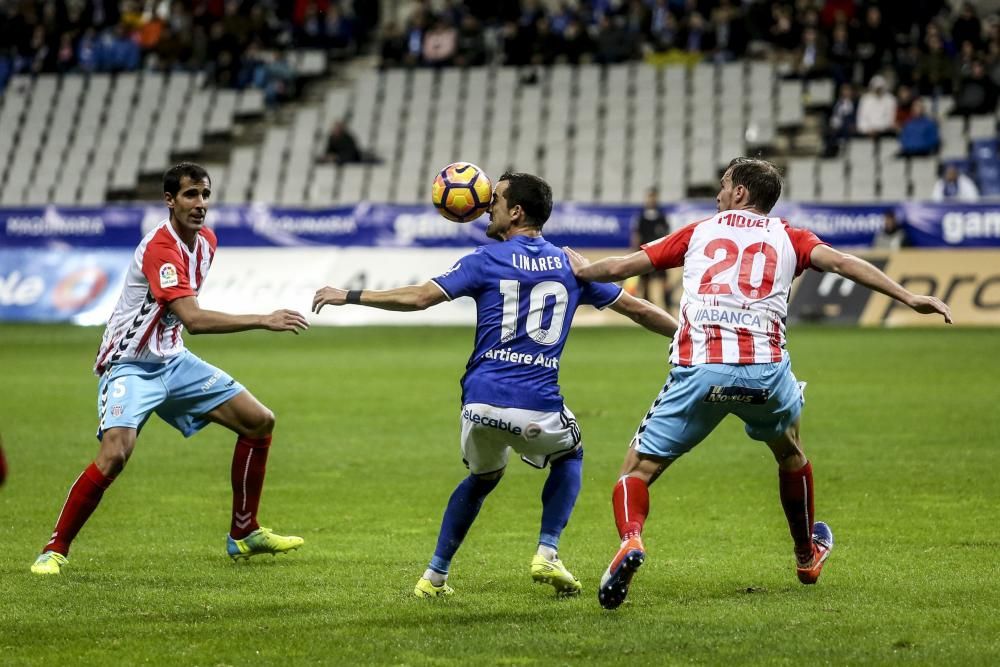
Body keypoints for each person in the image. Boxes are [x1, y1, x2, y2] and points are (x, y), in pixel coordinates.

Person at [565, 157, 952, 610]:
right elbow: (844, 264)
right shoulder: (791, 236)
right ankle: (807, 555)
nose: (718, 193)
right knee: (790, 453)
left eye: (724, 184)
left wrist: (583, 270)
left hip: (702, 368)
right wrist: (909, 296)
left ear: (741, 193)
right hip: (766, 373)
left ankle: (631, 541)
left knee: (636, 472)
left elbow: (624, 267)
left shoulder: (699, 231)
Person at [312, 171, 677, 598]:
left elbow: (418, 298)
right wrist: (686, 334)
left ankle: (434, 577)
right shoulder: (572, 264)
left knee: (482, 479)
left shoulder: (483, 260)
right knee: (571, 454)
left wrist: (350, 295)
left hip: (479, 405)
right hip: (537, 406)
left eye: (497, 199)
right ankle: (548, 551)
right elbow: (637, 309)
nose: (488, 204)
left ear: (516, 212)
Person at [31, 163, 308, 575]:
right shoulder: (161, 248)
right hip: (130, 365)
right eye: (190, 195)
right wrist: (263, 318)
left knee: (258, 421)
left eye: (205, 195)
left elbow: (180, 322)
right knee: (115, 455)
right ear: (169, 201)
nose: (200, 204)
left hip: (173, 359)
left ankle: (244, 534)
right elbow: (193, 318)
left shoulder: (207, 242)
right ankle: (54, 550)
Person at [632, 187, 672, 310]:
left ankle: (668, 307)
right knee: (645, 282)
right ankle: (646, 308)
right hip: (645, 253)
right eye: (649, 196)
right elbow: (637, 235)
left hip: (660, 253)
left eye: (653, 196)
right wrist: (635, 251)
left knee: (664, 282)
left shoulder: (661, 216)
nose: (651, 199)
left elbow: (667, 235)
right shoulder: (641, 217)